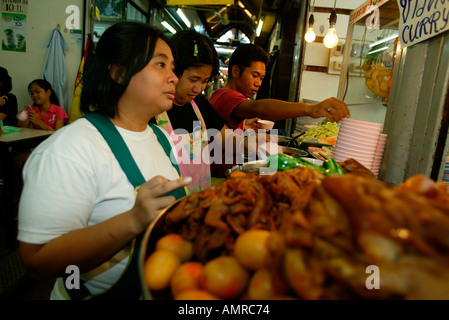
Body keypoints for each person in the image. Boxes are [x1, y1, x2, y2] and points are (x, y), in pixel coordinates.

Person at [17, 22, 191, 300]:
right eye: (161, 65)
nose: (173, 77)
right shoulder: (70, 148)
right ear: (119, 72)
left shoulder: (160, 137)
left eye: (173, 67)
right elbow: (38, 261)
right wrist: (133, 220)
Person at [152, 30, 237, 190]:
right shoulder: (154, 110)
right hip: (169, 203)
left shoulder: (198, 104)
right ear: (174, 71)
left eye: (205, 81)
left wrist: (255, 145)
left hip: (200, 197)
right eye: (193, 80)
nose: (198, 88)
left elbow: (225, 138)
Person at [209, 44, 350, 131]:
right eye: (254, 75)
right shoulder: (227, 96)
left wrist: (243, 125)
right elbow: (258, 108)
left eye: (261, 78)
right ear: (235, 71)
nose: (258, 83)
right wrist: (310, 109)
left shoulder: (219, 95)